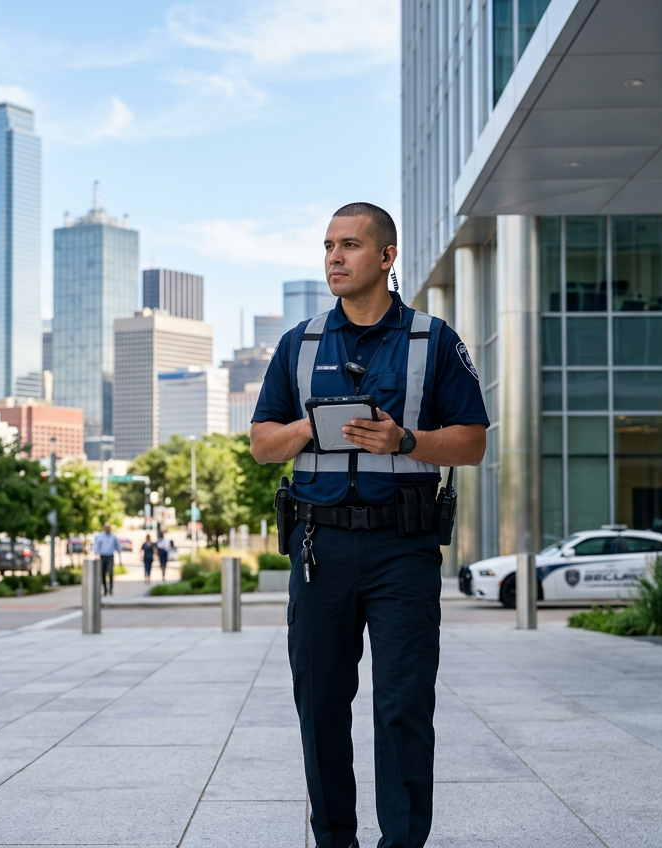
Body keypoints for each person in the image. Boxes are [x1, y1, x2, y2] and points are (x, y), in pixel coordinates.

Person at [250, 203, 487, 848]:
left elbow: (471, 444)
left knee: (403, 707)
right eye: (328, 245)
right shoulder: (297, 344)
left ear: (386, 257)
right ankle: (334, 841)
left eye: (350, 245)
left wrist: (404, 440)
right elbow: (261, 444)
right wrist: (307, 427)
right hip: (318, 545)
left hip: (402, 548)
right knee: (320, 707)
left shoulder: (434, 340)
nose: (334, 257)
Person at [93, 523, 121, 595]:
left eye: (108, 527)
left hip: (110, 557)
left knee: (110, 572)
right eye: (106, 527)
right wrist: (96, 554)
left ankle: (111, 589)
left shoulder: (113, 537)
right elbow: (97, 546)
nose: (107, 529)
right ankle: (105, 590)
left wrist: (120, 556)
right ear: (104, 528)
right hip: (102, 557)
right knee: (103, 574)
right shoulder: (100, 537)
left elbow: (118, 546)